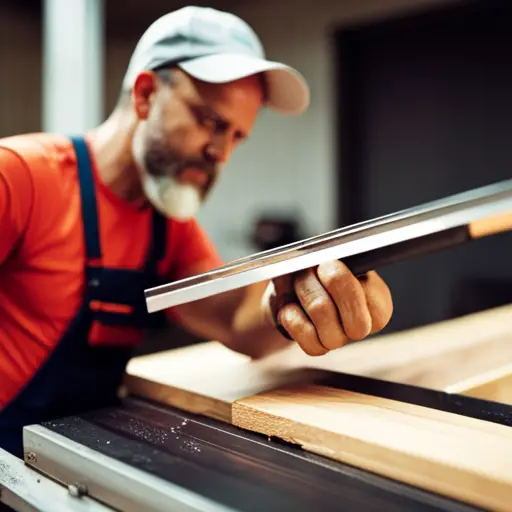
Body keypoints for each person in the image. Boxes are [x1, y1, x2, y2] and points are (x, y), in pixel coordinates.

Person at [0, 6, 393, 458]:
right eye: (211, 121)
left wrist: (294, 300)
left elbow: (234, 318)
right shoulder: (21, 179)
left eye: (238, 136)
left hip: (70, 459)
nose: (220, 153)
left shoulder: (168, 229)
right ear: (146, 94)